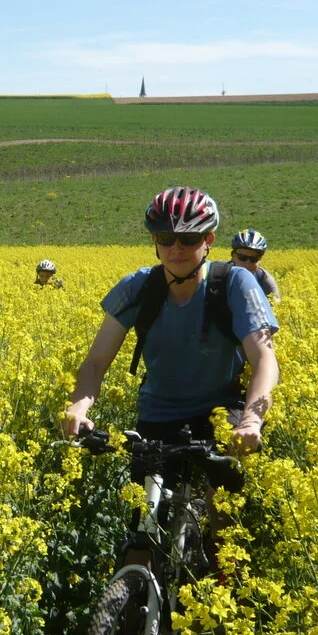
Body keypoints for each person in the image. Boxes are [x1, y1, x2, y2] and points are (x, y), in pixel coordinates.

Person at [63, 187, 279, 459]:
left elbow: (264, 359)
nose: (176, 249)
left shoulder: (235, 283)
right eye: (166, 238)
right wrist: (77, 408)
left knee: (222, 494)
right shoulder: (138, 287)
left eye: (188, 238)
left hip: (224, 412)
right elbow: (95, 363)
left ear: (208, 239)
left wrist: (251, 421)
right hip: (158, 415)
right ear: (155, 240)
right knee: (148, 499)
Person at [230, 229, 280, 304]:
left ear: (260, 260)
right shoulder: (220, 274)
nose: (247, 263)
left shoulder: (263, 278)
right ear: (233, 256)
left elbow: (276, 304)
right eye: (242, 257)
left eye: (254, 259)